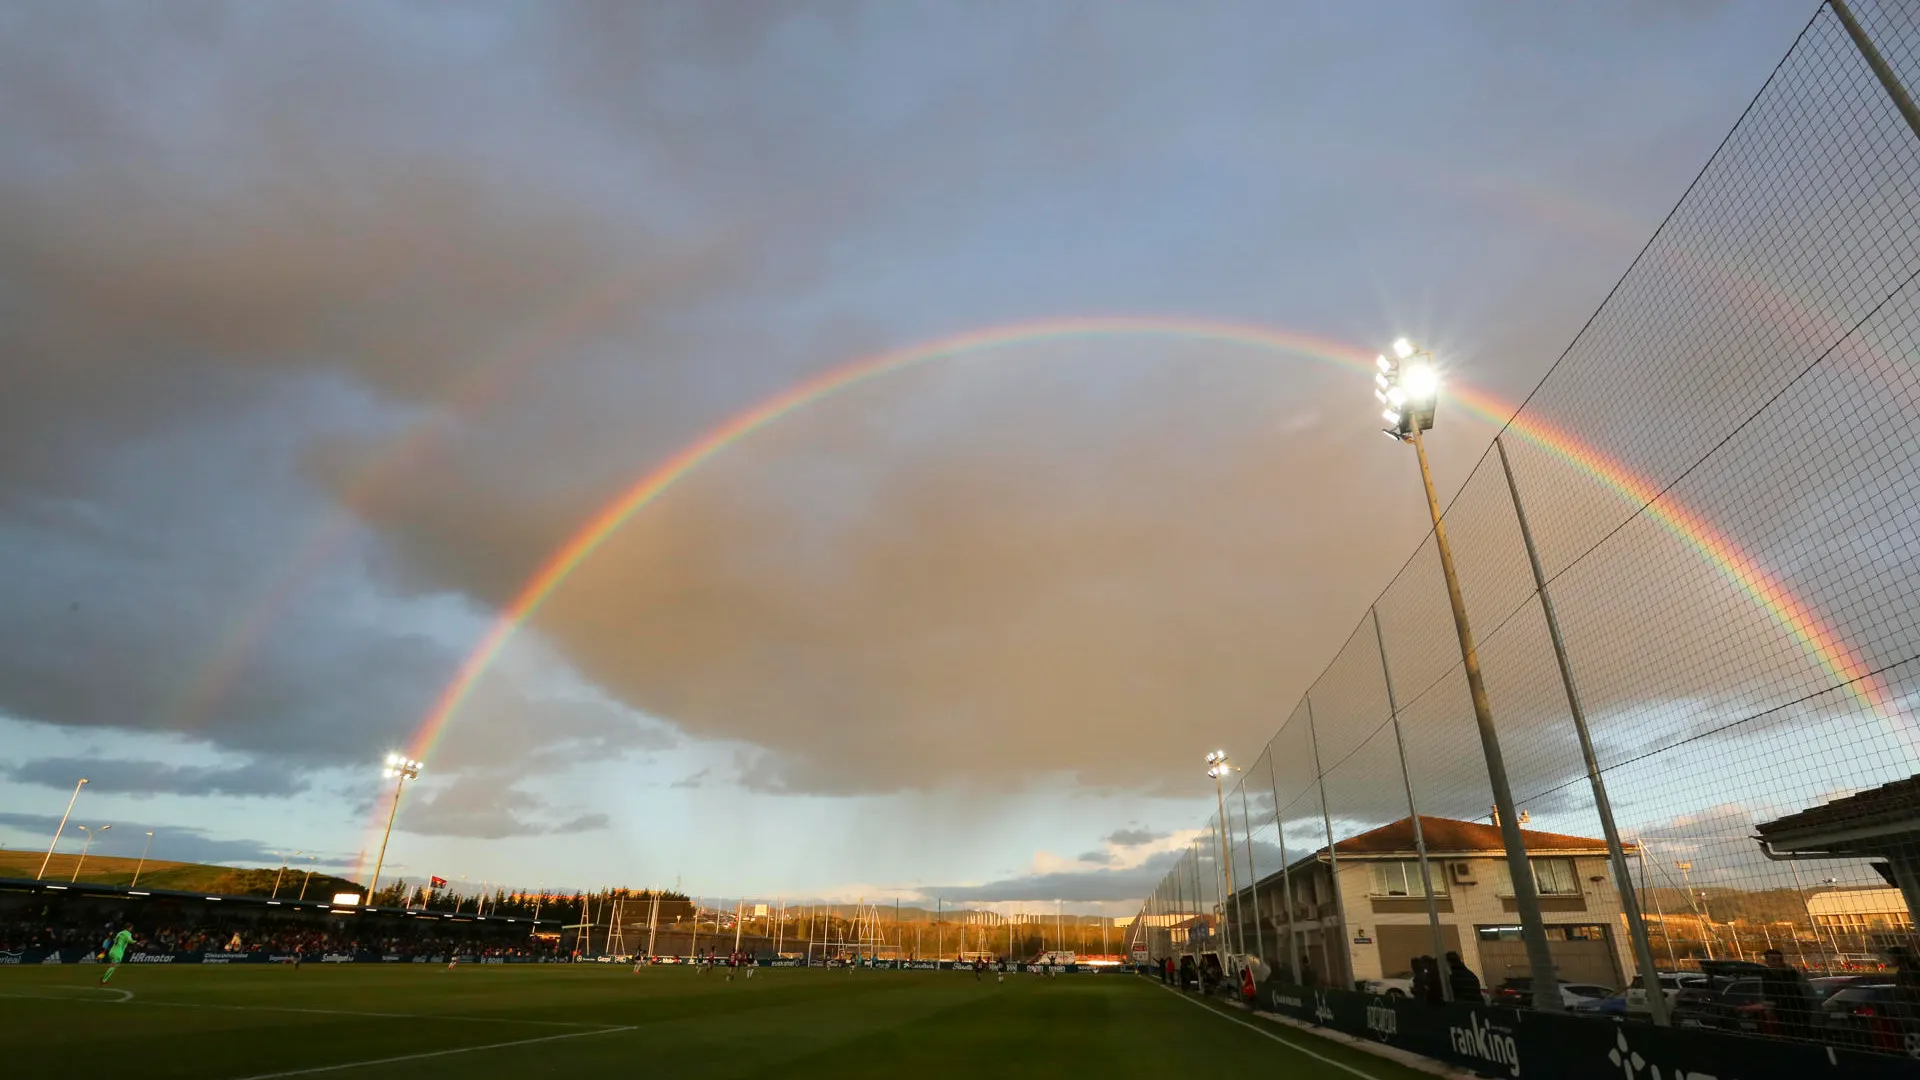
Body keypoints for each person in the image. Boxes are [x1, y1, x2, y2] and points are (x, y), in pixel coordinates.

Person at [1757, 949, 1815, 1040]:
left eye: (1780, 960)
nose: (1778, 963)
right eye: (1774, 960)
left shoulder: (1792, 974)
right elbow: (1767, 996)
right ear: (1766, 961)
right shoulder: (1767, 976)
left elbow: (1807, 992)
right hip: (1783, 1016)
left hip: (1798, 1014)